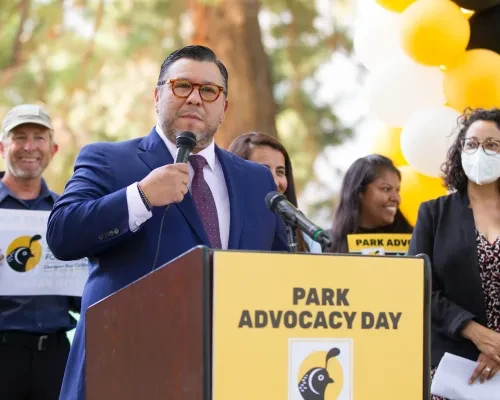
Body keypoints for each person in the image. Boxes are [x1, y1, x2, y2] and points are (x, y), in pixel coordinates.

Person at [46, 45, 288, 400]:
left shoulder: (256, 180)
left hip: (228, 373)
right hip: (125, 370)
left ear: (224, 106)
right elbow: (62, 234)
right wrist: (140, 196)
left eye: (208, 90)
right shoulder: (108, 160)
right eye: (181, 86)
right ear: (158, 95)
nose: (195, 98)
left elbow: (277, 269)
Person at [408, 108, 500, 399]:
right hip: (457, 371)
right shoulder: (434, 213)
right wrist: (476, 333)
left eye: (492, 145)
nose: (480, 152)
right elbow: (418, 286)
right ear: (460, 151)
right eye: (472, 144)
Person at [0, 104, 81, 400]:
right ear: (2, 146)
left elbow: (80, 297)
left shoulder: (69, 213)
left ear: (53, 148)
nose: (29, 147)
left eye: (39, 138)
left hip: (55, 358)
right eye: (19, 137)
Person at [228, 132, 322, 253]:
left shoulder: (303, 232)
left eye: (280, 172)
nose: (275, 181)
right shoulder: (222, 224)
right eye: (263, 170)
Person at [325, 154, 413, 253]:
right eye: (386, 189)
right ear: (360, 192)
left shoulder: (414, 241)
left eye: (397, 190)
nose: (396, 198)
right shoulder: (327, 243)